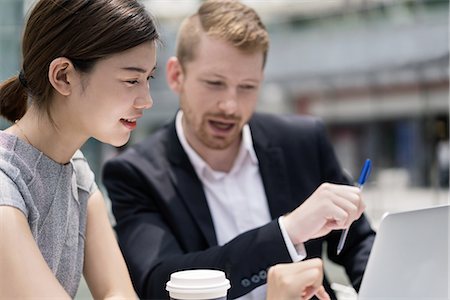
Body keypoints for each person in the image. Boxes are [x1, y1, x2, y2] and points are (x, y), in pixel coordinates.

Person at [102, 0, 375, 299]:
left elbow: (360, 245)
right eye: (215, 83)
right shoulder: (135, 173)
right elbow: (158, 282)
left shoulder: (304, 142)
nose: (230, 106)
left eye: (247, 87)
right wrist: (287, 232)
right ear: (176, 75)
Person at [0, 0, 158, 298]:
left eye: (148, 78)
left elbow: (119, 293)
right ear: (63, 76)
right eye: (131, 80)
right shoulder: (5, 184)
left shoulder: (77, 171)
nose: (146, 100)